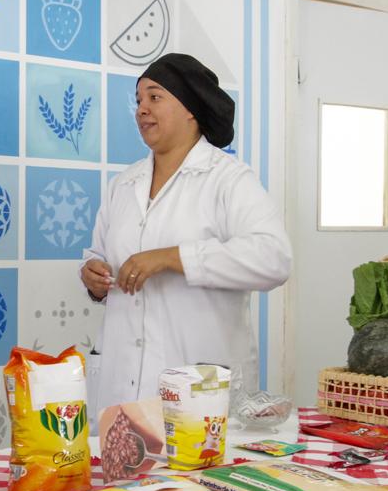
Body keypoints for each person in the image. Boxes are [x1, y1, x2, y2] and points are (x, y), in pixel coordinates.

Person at [80, 53, 292, 413]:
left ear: (190, 109)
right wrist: (92, 277)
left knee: (194, 467)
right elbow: (98, 254)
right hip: (122, 387)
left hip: (198, 388)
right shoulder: (123, 184)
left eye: (155, 96)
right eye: (138, 100)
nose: (141, 109)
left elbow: (274, 258)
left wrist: (173, 257)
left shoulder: (229, 179)